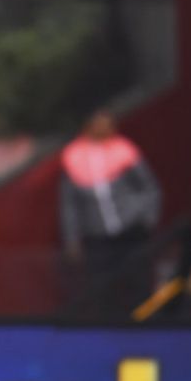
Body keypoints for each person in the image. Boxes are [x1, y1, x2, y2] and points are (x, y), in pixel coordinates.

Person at [59, 109, 162, 317]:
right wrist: (71, 239)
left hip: (131, 232)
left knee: (139, 284)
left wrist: (147, 218)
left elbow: (150, 188)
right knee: (101, 289)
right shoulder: (73, 156)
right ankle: (107, 338)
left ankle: (145, 330)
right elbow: (69, 205)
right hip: (97, 238)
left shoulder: (125, 150)